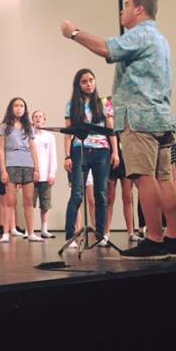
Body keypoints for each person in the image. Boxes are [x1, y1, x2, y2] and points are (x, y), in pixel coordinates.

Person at [60, 0, 176, 260]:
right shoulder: (161, 39)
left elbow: (107, 48)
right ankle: (174, 240)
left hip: (139, 117)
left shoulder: (141, 34)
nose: (122, 10)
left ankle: (154, 239)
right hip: (161, 117)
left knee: (144, 177)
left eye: (126, 5)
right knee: (164, 178)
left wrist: (74, 33)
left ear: (139, 9)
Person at [63, 69, 118, 247]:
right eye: (84, 81)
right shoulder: (72, 104)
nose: (89, 84)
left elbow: (111, 130)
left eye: (91, 80)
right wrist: (67, 156)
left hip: (102, 151)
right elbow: (67, 134)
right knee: (77, 193)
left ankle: (101, 235)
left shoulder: (104, 103)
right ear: (78, 85)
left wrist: (115, 152)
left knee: (101, 194)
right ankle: (70, 236)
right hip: (79, 150)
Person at [0, 97, 42, 243]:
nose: (19, 108)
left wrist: (36, 169)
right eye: (16, 106)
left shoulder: (28, 126)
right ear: (11, 108)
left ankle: (31, 233)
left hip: (27, 164)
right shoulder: (4, 126)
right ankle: (6, 233)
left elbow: (33, 148)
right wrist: (3, 170)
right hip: (11, 164)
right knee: (10, 201)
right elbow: (0, 150)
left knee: (28, 201)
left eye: (22, 106)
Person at [106, 132, 139, 242]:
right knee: (109, 199)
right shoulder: (110, 129)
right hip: (112, 162)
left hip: (127, 164)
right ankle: (106, 233)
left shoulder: (127, 131)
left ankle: (131, 233)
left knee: (128, 197)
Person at [31, 110, 58, 239]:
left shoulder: (49, 136)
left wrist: (52, 174)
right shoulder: (29, 135)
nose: (38, 118)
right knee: (29, 203)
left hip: (46, 175)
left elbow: (53, 156)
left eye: (40, 116)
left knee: (45, 205)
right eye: (35, 116)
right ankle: (29, 230)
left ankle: (44, 230)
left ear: (44, 119)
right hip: (31, 175)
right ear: (32, 120)